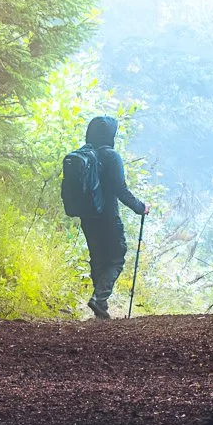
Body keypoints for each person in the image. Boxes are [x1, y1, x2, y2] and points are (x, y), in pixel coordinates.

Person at [78, 114, 145, 319]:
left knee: (97, 259)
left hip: (87, 217)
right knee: (116, 257)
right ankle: (99, 298)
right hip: (108, 216)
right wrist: (140, 207)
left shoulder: (84, 155)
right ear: (110, 135)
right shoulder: (110, 156)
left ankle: (101, 307)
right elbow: (120, 190)